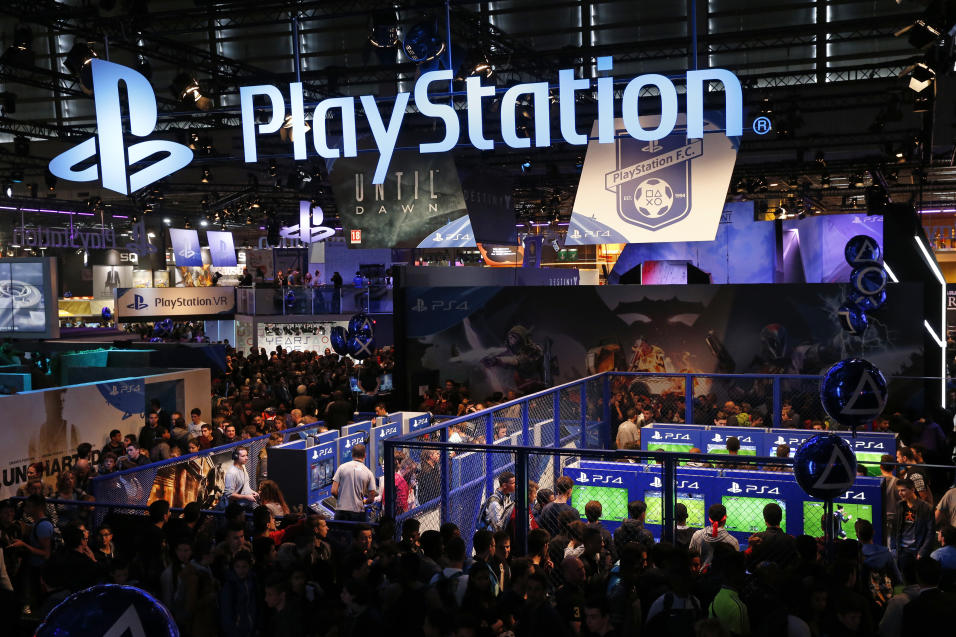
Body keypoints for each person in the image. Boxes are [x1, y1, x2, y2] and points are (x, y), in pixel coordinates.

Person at [894, 477, 935, 584]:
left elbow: (930, 533)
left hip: (918, 551)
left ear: (912, 489)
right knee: (908, 582)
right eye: (898, 491)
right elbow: (897, 529)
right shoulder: (900, 506)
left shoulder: (926, 508)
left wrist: (922, 552)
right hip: (903, 551)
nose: (900, 493)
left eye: (903, 490)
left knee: (921, 582)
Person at [331, 443, 376, 521]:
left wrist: (342, 500)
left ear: (352, 455)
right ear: (365, 455)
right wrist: (363, 501)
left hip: (341, 512)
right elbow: (371, 498)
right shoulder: (369, 473)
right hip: (357, 513)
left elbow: (333, 491)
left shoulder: (341, 468)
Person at [745, 502, 797, 568]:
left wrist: (750, 547)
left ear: (765, 519)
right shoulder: (791, 540)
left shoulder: (756, 538)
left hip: (759, 577)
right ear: (780, 519)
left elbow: (749, 566)